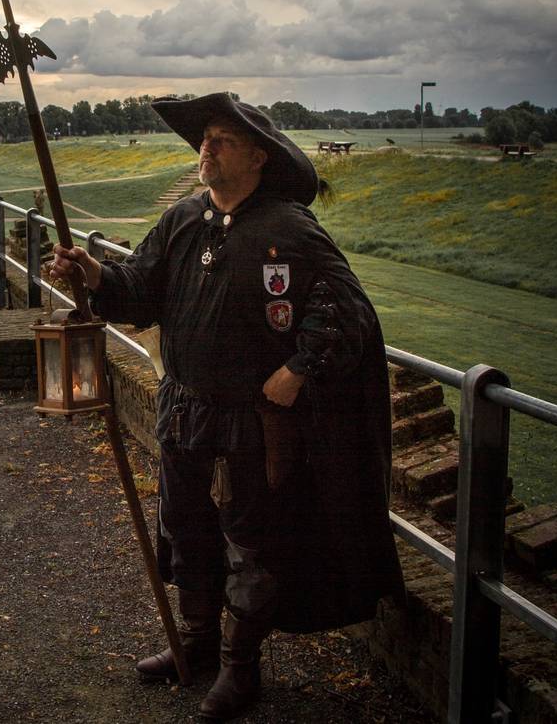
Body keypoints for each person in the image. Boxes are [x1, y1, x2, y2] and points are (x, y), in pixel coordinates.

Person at [51, 92, 404, 721]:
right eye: (205, 139)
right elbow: (141, 290)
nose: (205, 149)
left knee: (251, 544)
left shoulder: (290, 229)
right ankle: (196, 647)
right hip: (184, 408)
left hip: (252, 423)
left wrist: (297, 370)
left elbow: (347, 310)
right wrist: (98, 275)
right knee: (186, 528)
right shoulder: (183, 220)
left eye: (222, 140)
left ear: (259, 158)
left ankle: (241, 671)